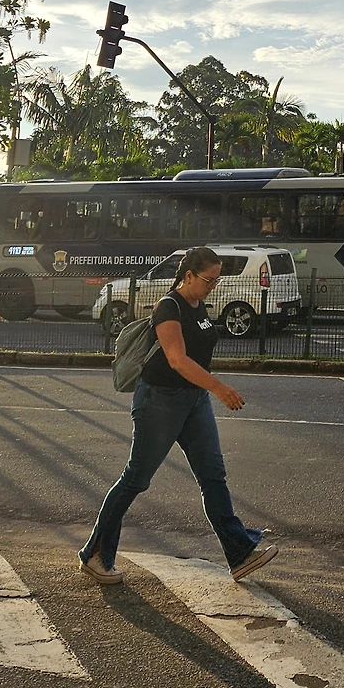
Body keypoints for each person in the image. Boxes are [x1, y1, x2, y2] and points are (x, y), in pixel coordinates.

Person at [79, 245, 277, 586]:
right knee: (136, 479)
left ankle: (239, 553)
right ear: (188, 276)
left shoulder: (199, 305)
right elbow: (177, 359)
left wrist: (206, 390)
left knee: (213, 476)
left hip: (194, 400)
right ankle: (95, 553)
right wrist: (219, 388)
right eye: (209, 280)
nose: (213, 286)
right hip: (160, 400)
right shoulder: (168, 307)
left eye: (217, 280)